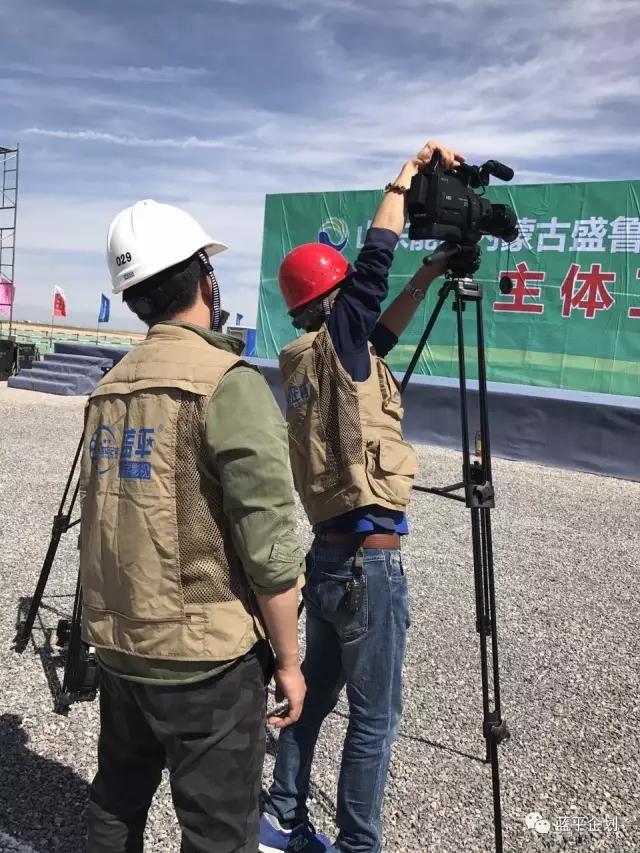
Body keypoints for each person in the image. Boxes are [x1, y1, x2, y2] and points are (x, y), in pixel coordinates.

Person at [78, 199, 307, 853]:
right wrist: (289, 661)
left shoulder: (110, 385)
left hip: (120, 645)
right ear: (206, 279)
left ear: (133, 298)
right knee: (217, 831)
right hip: (205, 662)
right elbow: (269, 548)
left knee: (117, 798)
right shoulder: (227, 383)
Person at [259, 140, 465, 853]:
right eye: (347, 290)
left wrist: (430, 273)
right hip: (367, 567)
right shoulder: (339, 339)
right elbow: (375, 262)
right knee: (375, 720)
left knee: (313, 698)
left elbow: (380, 332)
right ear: (333, 298)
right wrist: (404, 180)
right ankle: (357, 845)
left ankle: (281, 818)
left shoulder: (316, 358)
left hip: (328, 559)